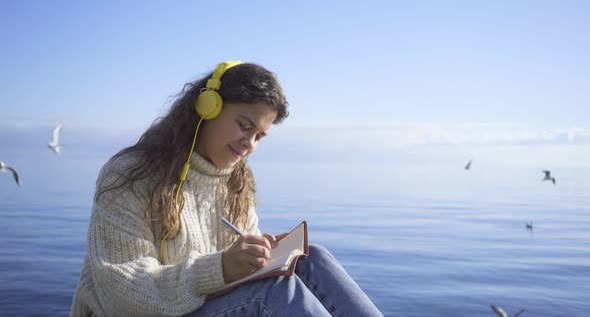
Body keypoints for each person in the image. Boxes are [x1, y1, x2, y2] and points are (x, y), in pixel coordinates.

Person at [71, 61, 383, 316]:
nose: (249, 143)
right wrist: (220, 268)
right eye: (244, 125)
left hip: (206, 306)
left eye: (259, 136)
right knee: (272, 293)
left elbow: (234, 273)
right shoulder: (130, 174)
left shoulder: (236, 182)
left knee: (311, 257)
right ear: (207, 108)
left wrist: (256, 258)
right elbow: (120, 292)